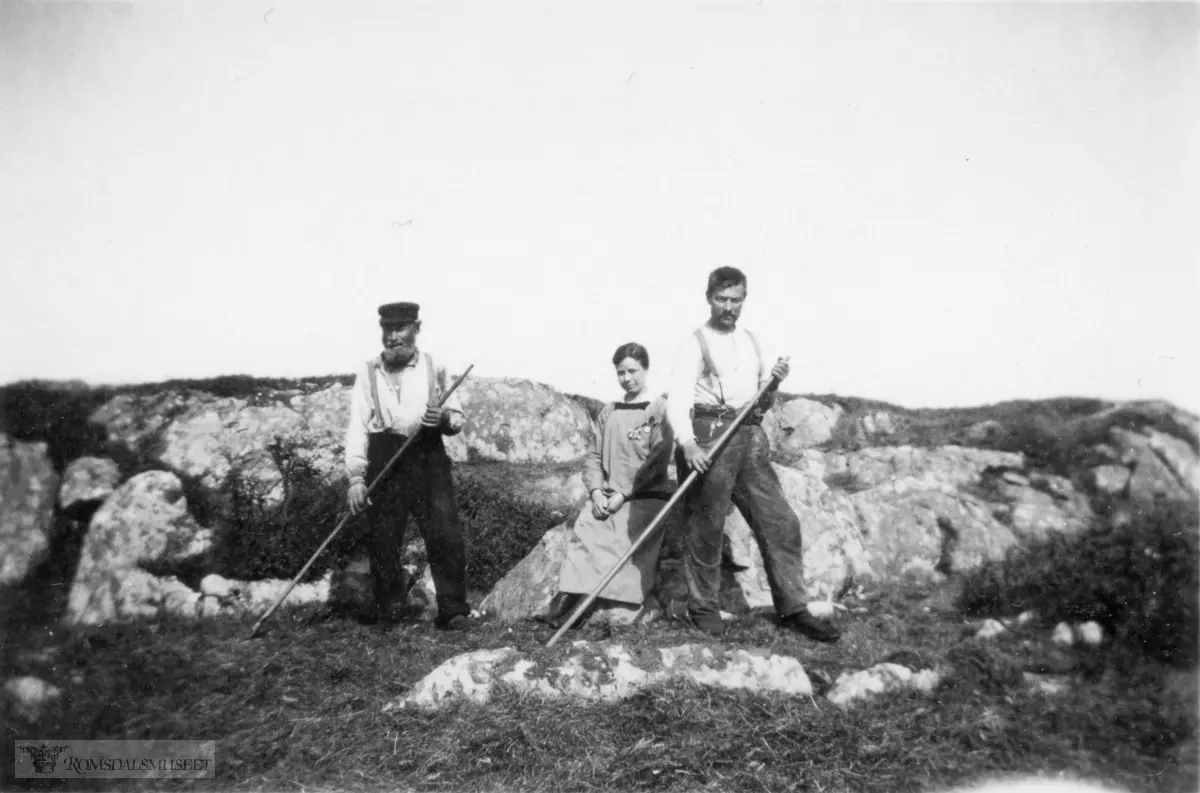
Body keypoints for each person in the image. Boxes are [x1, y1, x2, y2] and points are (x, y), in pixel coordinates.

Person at [665, 267, 841, 642]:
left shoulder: (754, 342)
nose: (728, 307)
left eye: (736, 300)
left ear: (744, 299)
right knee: (706, 526)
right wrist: (688, 444)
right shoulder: (694, 343)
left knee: (780, 521)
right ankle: (704, 608)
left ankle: (793, 608)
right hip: (709, 434)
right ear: (709, 297)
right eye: (721, 299)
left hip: (749, 437)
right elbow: (677, 400)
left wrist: (774, 381)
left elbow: (761, 401)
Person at [344, 302, 477, 631]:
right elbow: (357, 426)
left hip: (427, 454)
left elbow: (456, 418)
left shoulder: (435, 366)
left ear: (416, 328)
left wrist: (443, 418)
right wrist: (356, 478)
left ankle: (453, 610)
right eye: (386, 329)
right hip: (384, 455)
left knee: (444, 532)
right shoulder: (369, 371)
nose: (392, 337)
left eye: (400, 328)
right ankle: (389, 612)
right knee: (383, 536)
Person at [537, 342, 675, 629]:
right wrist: (596, 491)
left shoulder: (659, 410)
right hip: (608, 496)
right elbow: (594, 456)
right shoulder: (609, 411)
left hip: (643, 498)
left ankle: (592, 609)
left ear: (645, 370)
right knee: (587, 528)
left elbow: (657, 460)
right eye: (621, 372)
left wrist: (625, 493)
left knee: (618, 542)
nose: (627, 378)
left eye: (633, 371)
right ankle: (564, 602)